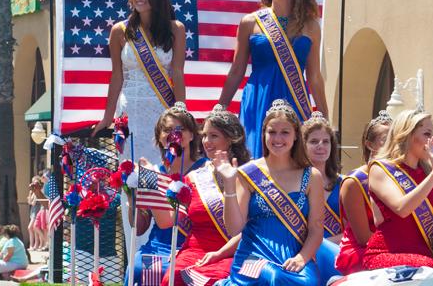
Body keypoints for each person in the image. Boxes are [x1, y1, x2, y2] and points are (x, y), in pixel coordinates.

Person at [219, 0, 328, 159]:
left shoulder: (310, 25)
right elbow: (236, 70)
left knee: (294, 156)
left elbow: (314, 75)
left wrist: (323, 115)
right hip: (259, 95)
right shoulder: (250, 22)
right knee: (255, 152)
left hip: (294, 95)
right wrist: (220, 107)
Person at [216, 99, 324, 285]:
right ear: (263, 134)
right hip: (252, 257)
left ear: (296, 135)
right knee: (273, 277)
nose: (278, 138)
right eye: (272, 132)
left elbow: (316, 228)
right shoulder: (249, 173)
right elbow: (234, 229)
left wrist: (302, 258)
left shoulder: (311, 175)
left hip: (295, 257)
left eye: (285, 132)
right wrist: (230, 185)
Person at [92, 0, 186, 166]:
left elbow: (177, 73)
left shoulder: (175, 29)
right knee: (130, 168)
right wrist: (107, 117)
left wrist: (181, 114)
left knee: (162, 165)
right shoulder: (119, 30)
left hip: (161, 106)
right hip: (129, 108)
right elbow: (116, 76)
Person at [149, 104, 252, 286]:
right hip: (195, 250)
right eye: (204, 135)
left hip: (234, 251)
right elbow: (168, 221)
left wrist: (219, 254)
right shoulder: (195, 178)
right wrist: (149, 184)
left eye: (213, 136)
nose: (206, 141)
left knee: (209, 281)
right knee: (173, 278)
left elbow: (248, 228)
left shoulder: (248, 173)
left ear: (230, 139)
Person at [125, 102, 208, 286]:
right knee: (138, 267)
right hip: (158, 245)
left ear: (192, 134)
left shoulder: (204, 170)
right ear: (160, 137)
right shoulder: (154, 171)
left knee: (170, 272)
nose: (174, 134)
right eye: (168, 130)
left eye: (181, 129)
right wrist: (132, 194)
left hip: (192, 246)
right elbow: (139, 228)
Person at [362, 110, 433, 270]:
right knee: (430, 268)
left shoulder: (426, 172)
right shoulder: (381, 168)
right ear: (407, 135)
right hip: (387, 254)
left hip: (426, 258)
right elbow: (402, 208)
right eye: (427, 134)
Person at [335, 110, 392, 275]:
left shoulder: (399, 177)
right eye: (384, 140)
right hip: (361, 251)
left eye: (395, 140)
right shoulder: (354, 183)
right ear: (369, 144)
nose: (392, 145)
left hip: (391, 247)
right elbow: (362, 237)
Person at [302, 111, 342, 284]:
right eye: (313, 141)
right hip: (300, 252)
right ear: (302, 146)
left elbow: (352, 231)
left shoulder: (344, 183)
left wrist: (320, 245)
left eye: (326, 141)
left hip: (336, 251)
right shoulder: (293, 183)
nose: (321, 146)